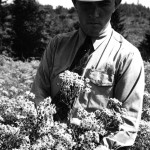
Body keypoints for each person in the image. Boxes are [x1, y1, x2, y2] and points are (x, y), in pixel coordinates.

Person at [31, 0, 145, 149]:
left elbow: (127, 126)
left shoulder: (128, 56)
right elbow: (38, 94)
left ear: (115, 5)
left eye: (103, 4)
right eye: (86, 5)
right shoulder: (57, 45)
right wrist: (45, 134)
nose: (94, 13)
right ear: (75, 4)